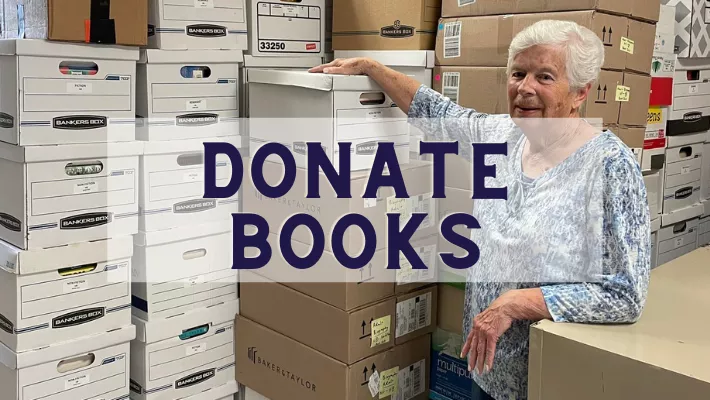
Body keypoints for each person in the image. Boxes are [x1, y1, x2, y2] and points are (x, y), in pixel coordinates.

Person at [309, 19, 651, 400]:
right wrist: (372, 68)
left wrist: (518, 303)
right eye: (518, 73)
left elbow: (624, 294)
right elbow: (437, 112)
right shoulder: (503, 137)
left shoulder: (608, 166)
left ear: (581, 92)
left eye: (545, 77)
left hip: (545, 380)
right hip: (487, 366)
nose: (525, 88)